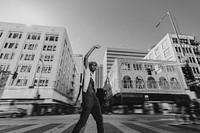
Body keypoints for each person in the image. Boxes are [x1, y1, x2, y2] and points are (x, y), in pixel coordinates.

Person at [72, 44, 104, 133]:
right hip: (87, 99)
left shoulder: (93, 77)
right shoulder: (86, 72)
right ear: (89, 66)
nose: (95, 66)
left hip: (95, 100)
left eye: (96, 65)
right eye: (93, 65)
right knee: (82, 122)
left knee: (100, 121)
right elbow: (86, 57)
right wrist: (94, 47)